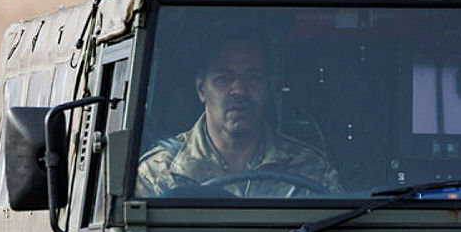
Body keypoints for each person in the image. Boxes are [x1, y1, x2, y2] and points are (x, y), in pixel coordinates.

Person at [135, 37, 342, 198]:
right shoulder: (158, 174)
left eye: (253, 78)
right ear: (201, 89)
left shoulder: (309, 170)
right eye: (223, 79)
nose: (239, 90)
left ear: (267, 87)